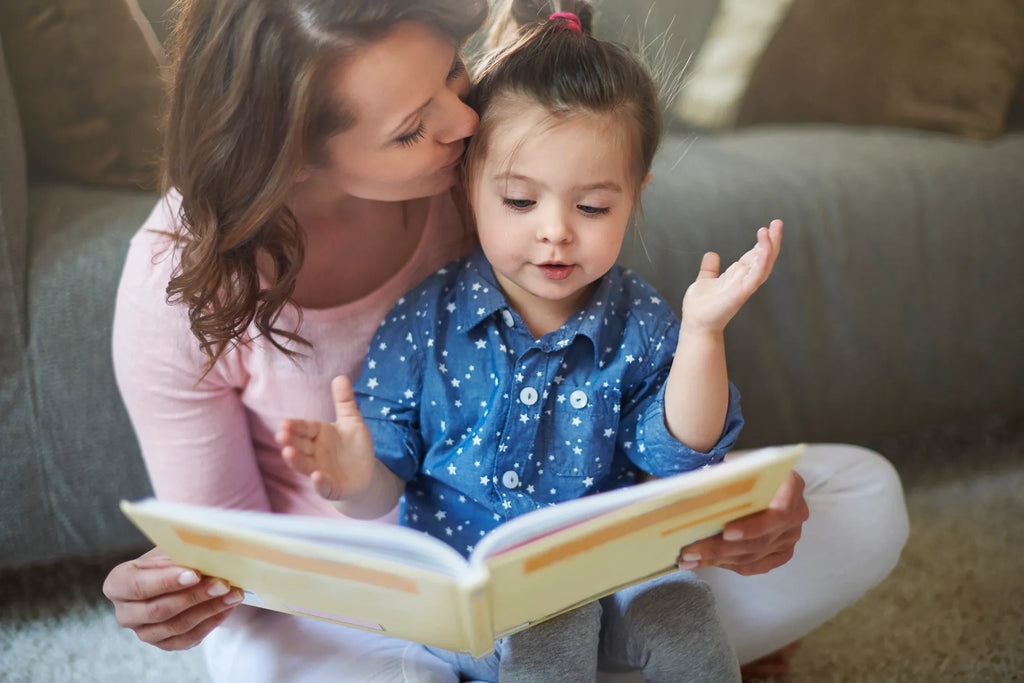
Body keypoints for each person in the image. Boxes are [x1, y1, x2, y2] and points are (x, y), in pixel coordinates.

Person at [101, 0, 909, 681]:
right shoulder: (180, 283)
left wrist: (742, 516)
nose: (464, 122)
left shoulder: (492, 166)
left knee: (861, 495)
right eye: (414, 127)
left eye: (453, 74)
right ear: (290, 153)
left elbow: (644, 416)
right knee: (256, 651)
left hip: (587, 545)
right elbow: (229, 557)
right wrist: (170, 590)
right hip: (363, 597)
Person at [277, 7, 779, 681]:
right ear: (467, 187)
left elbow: (680, 456)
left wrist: (702, 333)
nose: (556, 233)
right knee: (545, 617)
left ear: (634, 196)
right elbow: (379, 486)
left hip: (617, 579)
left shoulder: (640, 319)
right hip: (473, 603)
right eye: (519, 202)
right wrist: (353, 477)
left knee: (684, 613)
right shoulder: (426, 320)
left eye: (593, 207)